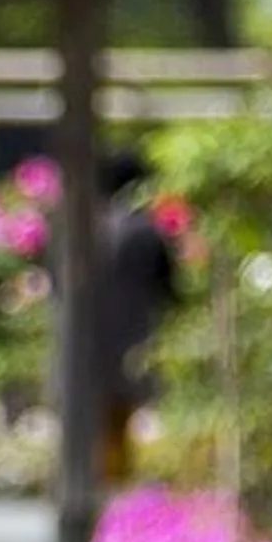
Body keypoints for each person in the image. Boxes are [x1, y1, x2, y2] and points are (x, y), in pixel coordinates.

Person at [90, 149, 178, 485]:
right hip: (133, 336)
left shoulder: (85, 228)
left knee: (95, 419)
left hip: (85, 342)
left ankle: (100, 484)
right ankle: (115, 486)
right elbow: (169, 288)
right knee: (121, 418)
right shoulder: (146, 230)